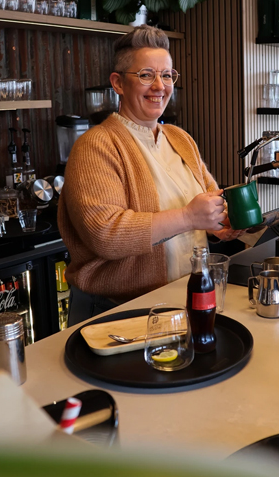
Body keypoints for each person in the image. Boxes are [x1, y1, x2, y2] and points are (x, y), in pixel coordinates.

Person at [58, 25, 245, 326]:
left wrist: (221, 223)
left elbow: (210, 200)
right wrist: (188, 217)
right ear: (118, 83)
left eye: (167, 75)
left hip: (182, 298)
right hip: (116, 313)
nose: (160, 86)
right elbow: (105, 235)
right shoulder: (95, 145)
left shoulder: (179, 138)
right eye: (146, 75)